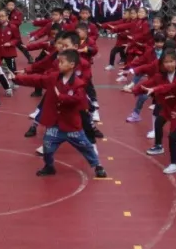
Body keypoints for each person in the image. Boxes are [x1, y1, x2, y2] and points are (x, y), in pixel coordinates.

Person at [16, 50, 108, 179]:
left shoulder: (78, 84)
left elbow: (78, 101)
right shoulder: (53, 78)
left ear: (71, 64)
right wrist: (17, 79)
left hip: (72, 125)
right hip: (55, 124)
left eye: (61, 62)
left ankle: (97, 165)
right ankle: (49, 166)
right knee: (47, 148)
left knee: (86, 147)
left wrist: (62, 97)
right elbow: (37, 79)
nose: (58, 64)